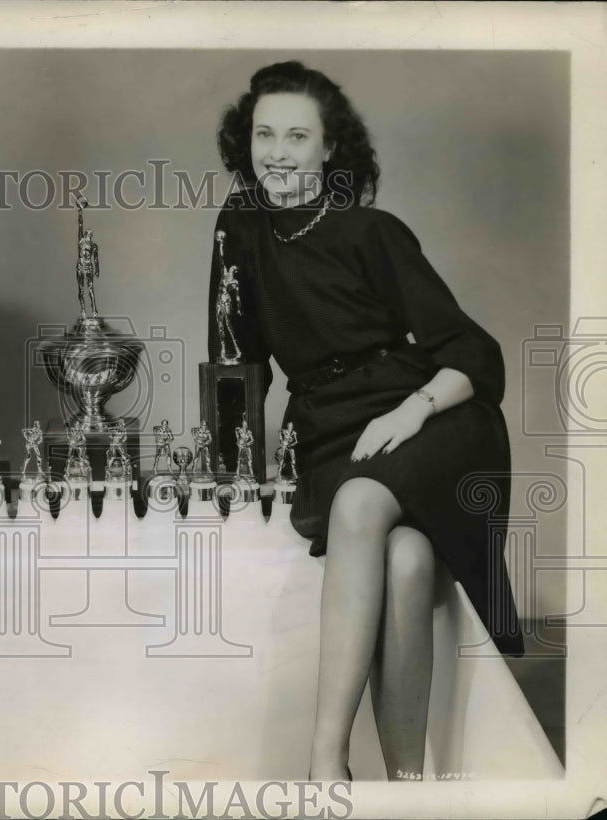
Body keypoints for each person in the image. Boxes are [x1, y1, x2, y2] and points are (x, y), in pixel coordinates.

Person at [209, 60, 523, 782]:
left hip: (429, 422)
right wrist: (230, 461)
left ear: (330, 148)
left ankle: (326, 761)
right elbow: (236, 358)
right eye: (264, 135)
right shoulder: (239, 229)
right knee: (407, 561)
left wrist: (412, 411)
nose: (277, 153)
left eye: (297, 136)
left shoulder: (371, 231)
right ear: (245, 142)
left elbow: (475, 355)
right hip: (328, 428)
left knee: (358, 503)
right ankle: (407, 786)